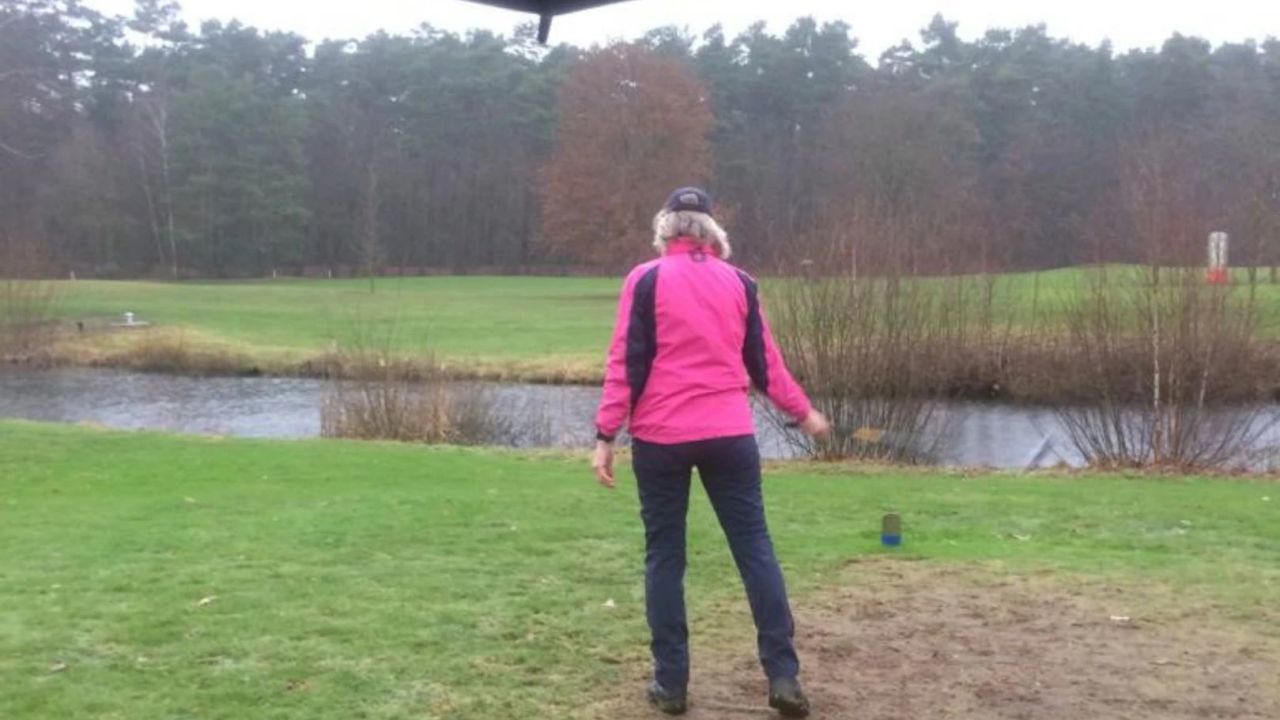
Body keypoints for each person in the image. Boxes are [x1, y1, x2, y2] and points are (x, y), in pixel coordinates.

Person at [591, 187, 830, 717]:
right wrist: (803, 412)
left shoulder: (645, 279)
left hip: (661, 438)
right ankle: (784, 677)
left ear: (666, 230)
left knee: (665, 557)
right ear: (710, 231)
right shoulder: (740, 282)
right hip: (729, 435)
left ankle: (671, 684)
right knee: (755, 549)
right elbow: (766, 364)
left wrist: (606, 435)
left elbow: (625, 363)